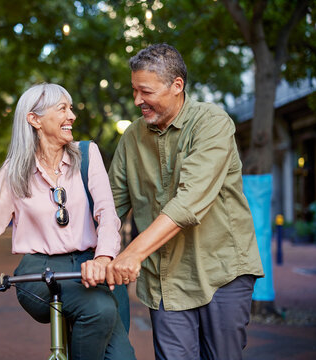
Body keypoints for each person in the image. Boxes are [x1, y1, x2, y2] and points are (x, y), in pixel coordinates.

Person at [106, 43, 264, 360]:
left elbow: (189, 203)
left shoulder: (212, 124)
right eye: (134, 90)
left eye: (145, 91)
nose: (137, 101)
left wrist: (132, 253)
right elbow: (109, 208)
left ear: (177, 86)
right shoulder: (132, 137)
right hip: (165, 280)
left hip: (220, 272)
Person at [0, 83, 135, 360]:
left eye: (71, 108)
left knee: (122, 356)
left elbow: (107, 216)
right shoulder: (13, 172)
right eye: (62, 109)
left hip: (89, 265)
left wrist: (103, 259)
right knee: (99, 311)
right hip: (40, 270)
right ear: (35, 119)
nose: (72, 116)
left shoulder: (88, 155)